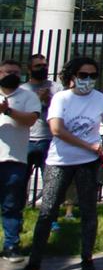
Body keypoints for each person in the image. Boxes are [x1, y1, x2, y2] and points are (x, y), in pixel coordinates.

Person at [17, 55, 103, 270]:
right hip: (60, 161)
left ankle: (87, 259)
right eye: (83, 75)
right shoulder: (61, 98)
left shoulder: (100, 99)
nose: (88, 80)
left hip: (88, 162)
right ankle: (34, 262)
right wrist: (89, 145)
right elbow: (56, 129)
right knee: (48, 209)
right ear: (73, 76)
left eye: (93, 76)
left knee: (89, 211)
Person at [0, 58, 39, 261]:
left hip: (14, 158)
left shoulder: (28, 96)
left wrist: (7, 111)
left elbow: (31, 119)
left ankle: (11, 245)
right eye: (7, 72)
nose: (12, 75)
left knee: (11, 204)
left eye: (16, 72)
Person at [19, 54, 58, 196]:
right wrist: (37, 99)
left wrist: (49, 100)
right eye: (38, 66)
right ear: (29, 69)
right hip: (26, 138)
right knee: (20, 179)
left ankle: (48, 213)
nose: (42, 68)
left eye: (44, 66)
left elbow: (62, 111)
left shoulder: (56, 88)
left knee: (50, 179)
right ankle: (19, 209)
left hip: (49, 138)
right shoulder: (22, 89)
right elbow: (18, 112)